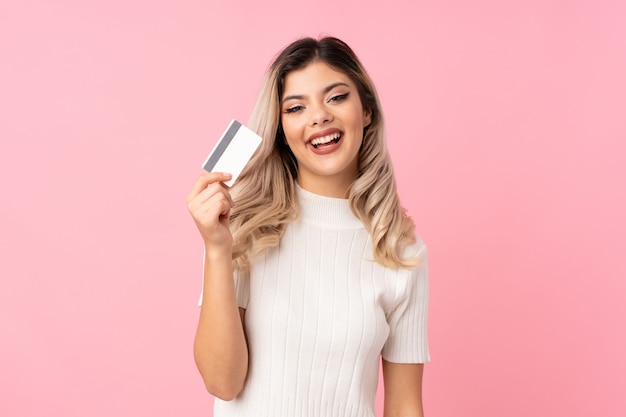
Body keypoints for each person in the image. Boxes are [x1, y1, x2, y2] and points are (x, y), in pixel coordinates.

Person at [187, 36, 430, 417]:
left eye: (335, 97)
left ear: (366, 111)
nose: (319, 116)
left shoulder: (401, 250)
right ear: (282, 130)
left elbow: (404, 406)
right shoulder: (243, 228)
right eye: (296, 107)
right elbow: (222, 382)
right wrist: (217, 249)